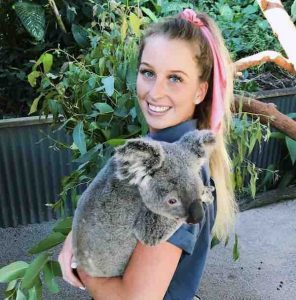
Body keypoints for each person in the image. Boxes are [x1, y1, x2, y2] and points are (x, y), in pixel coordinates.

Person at [58, 8, 238, 300]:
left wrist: (83, 266)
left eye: (175, 78)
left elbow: (135, 297)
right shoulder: (166, 149)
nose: (155, 92)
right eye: (148, 73)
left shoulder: (176, 170)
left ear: (200, 91)